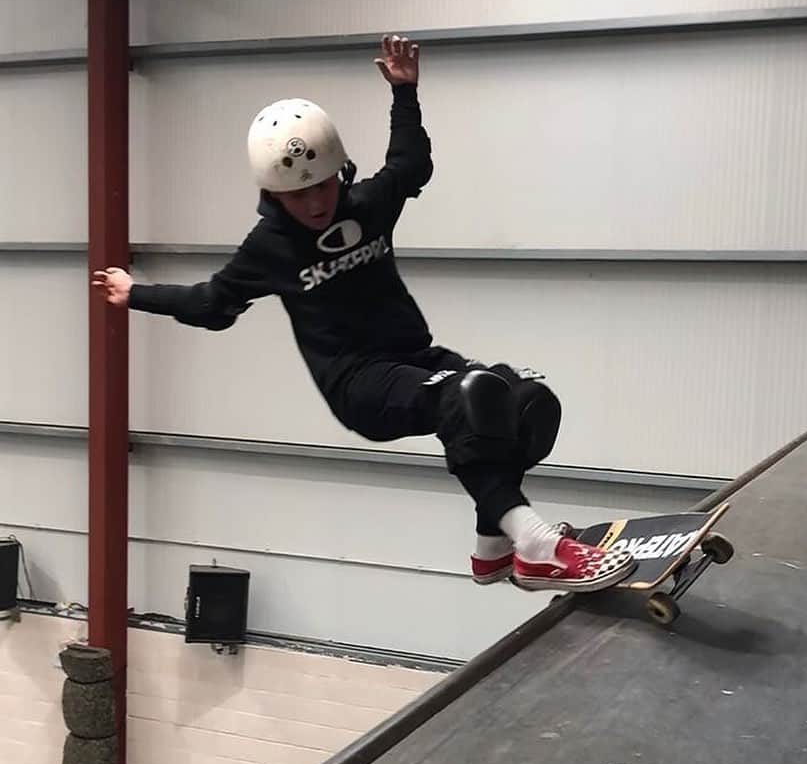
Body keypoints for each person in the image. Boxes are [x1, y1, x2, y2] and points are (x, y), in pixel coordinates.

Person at [92, 34, 636, 593]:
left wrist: (405, 92)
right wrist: (136, 293)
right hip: (358, 384)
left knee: (523, 401)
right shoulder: (268, 248)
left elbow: (410, 165)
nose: (315, 203)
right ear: (273, 196)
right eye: (297, 196)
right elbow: (211, 305)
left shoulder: (367, 206)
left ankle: (492, 548)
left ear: (339, 171)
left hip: (415, 358)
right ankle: (537, 545)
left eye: (323, 185)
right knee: (471, 396)